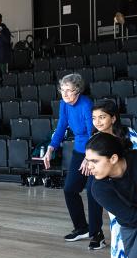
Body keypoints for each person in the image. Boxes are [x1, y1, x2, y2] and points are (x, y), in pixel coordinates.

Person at [43, 73, 104, 249]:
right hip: (79, 151)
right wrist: (51, 148)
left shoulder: (86, 104)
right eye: (63, 90)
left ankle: (97, 234)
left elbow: (92, 131)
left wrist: (89, 156)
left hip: (94, 151)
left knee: (93, 192)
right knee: (70, 190)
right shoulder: (64, 104)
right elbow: (61, 126)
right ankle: (81, 227)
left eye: (69, 91)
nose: (65, 94)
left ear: (77, 90)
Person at [91, 101, 137, 258]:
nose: (97, 121)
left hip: (135, 186)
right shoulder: (96, 138)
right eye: (94, 118)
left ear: (113, 118)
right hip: (112, 189)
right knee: (116, 226)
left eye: (102, 117)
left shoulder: (129, 134)